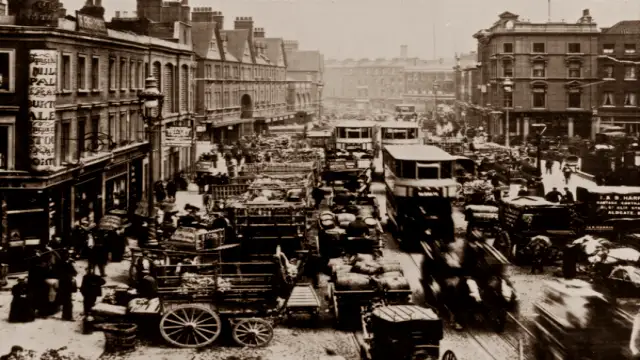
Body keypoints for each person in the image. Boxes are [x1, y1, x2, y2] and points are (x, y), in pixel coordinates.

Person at [56, 250, 78, 321]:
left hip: (62, 284)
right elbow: (74, 272)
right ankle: (68, 316)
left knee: (66, 301)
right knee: (68, 302)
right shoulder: (67, 264)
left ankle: (64, 316)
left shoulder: (59, 263)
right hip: (67, 284)